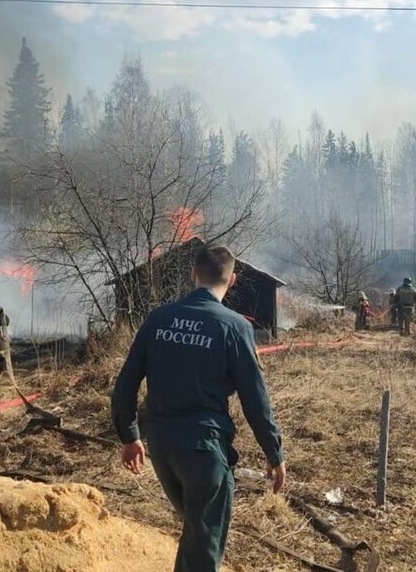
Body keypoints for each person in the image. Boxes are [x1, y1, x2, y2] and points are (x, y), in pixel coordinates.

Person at [112, 244, 286, 572]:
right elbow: (255, 400)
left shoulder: (159, 318)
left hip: (161, 449)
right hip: (203, 451)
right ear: (232, 280)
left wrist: (129, 435)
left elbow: (125, 384)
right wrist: (274, 453)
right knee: (203, 550)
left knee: (195, 534)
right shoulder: (235, 327)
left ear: (193, 273)